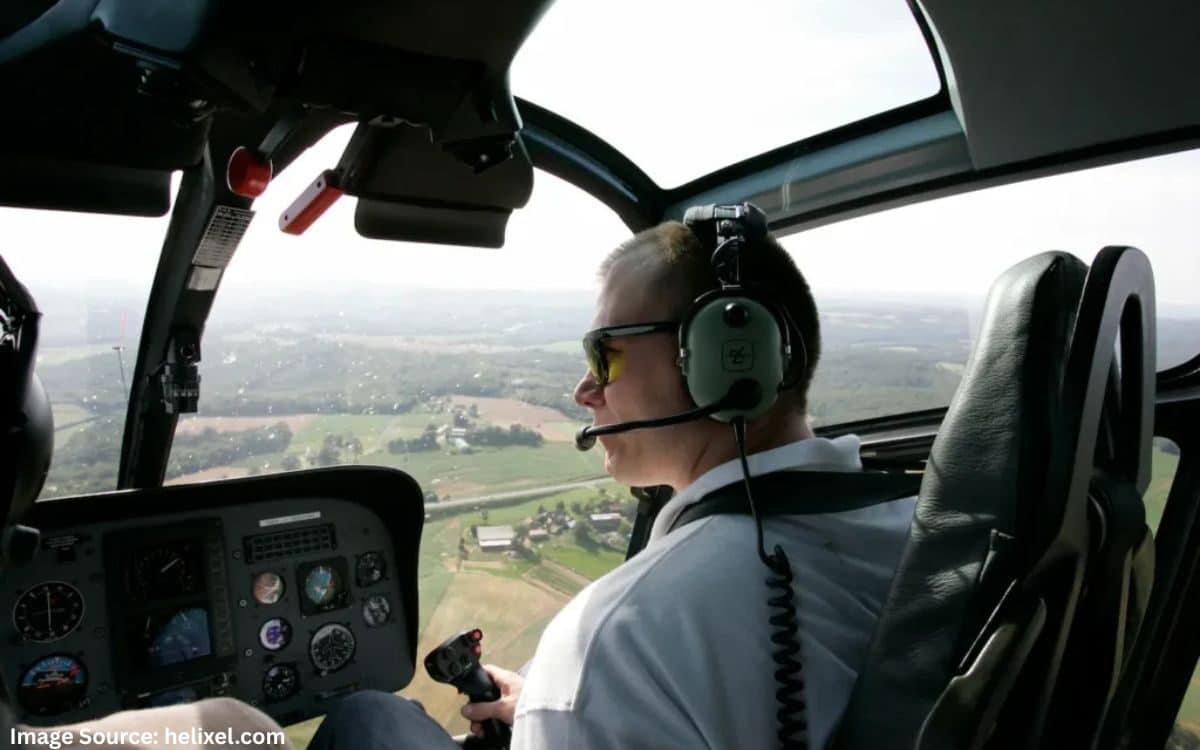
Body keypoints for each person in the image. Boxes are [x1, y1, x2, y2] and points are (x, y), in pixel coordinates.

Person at [307, 217, 917, 750]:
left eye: (604, 355)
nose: (584, 391)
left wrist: (570, 703)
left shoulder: (619, 639)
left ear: (724, 360)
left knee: (366, 716)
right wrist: (556, 707)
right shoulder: (918, 524)